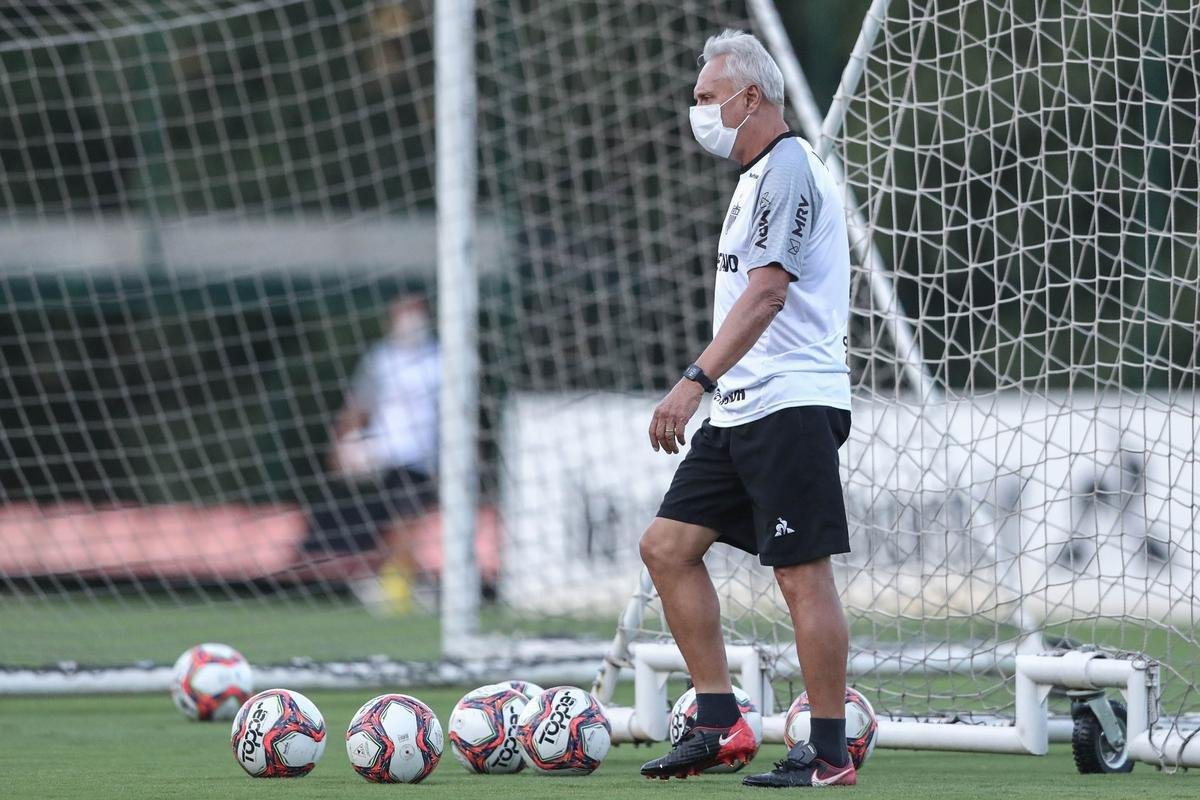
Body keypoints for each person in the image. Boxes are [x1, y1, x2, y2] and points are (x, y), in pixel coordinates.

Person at [637, 30, 856, 788]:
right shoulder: (755, 176)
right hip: (741, 408)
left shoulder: (788, 169)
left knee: (800, 574)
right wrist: (713, 389)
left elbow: (767, 294)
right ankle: (718, 721)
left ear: (749, 97)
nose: (697, 112)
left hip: (790, 403)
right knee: (667, 548)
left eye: (705, 98)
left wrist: (692, 379)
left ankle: (828, 754)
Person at [303, 295, 440, 576]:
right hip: (383, 452)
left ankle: (395, 583)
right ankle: (392, 582)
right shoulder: (382, 358)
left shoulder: (440, 358)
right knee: (393, 521)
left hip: (422, 454)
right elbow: (359, 404)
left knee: (406, 520)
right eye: (404, 313)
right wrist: (343, 442)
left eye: (415, 312)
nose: (411, 321)